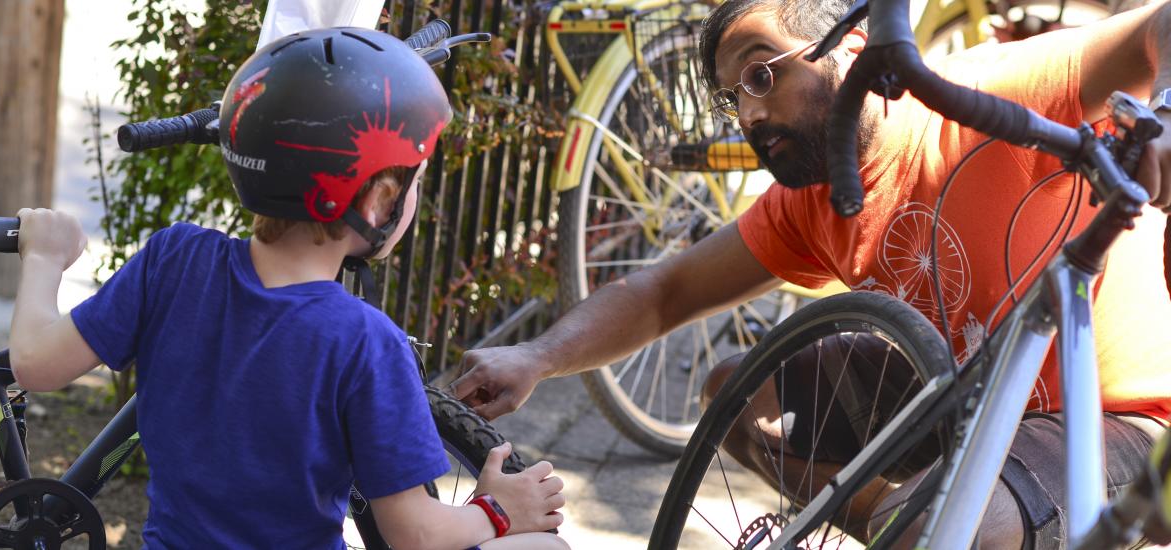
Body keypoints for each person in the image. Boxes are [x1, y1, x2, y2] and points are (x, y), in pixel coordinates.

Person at [453, 0, 1171, 546]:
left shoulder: (998, 91)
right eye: (733, 96)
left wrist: (1166, 112)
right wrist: (536, 357)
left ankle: (932, 520)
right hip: (965, 392)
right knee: (737, 396)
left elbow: (1160, 24)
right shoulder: (813, 198)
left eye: (763, 73)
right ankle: (911, 521)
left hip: (1127, 417)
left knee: (946, 519)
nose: (750, 113)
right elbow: (661, 292)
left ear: (853, 45)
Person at [9, 28, 568, 550]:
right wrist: (497, 510)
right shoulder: (366, 341)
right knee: (549, 546)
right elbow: (414, 534)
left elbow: (34, 364)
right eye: (414, 181)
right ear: (377, 203)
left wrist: (44, 257)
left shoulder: (173, 260)